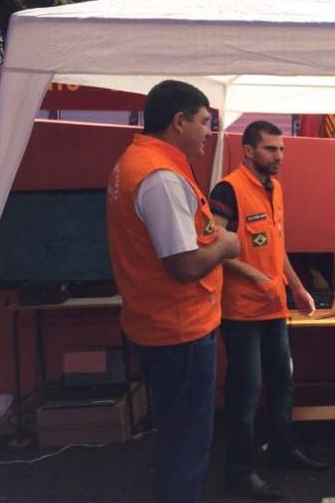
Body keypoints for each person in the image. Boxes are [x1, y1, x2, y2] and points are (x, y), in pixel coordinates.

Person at [106, 80, 240, 503]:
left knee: (175, 439)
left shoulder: (138, 161)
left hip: (157, 324)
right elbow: (183, 265)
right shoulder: (160, 177)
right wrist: (226, 243)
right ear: (178, 121)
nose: (208, 132)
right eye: (204, 122)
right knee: (187, 446)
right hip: (179, 330)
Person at [209, 121, 327, 501]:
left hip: (275, 310)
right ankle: (239, 474)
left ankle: (282, 449)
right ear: (248, 151)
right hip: (241, 314)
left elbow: (278, 246)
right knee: (245, 393)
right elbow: (211, 248)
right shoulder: (228, 190)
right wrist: (254, 275)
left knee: (282, 384)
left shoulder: (274, 188)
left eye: (281, 150)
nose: (278, 156)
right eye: (270, 149)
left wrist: (298, 286)